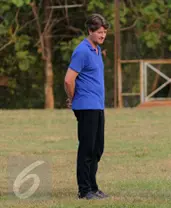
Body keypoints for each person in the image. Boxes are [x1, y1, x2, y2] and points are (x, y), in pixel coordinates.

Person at [64, 14, 109, 200]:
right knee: (87, 149)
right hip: (86, 106)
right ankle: (84, 190)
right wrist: (73, 98)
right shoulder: (82, 51)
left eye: (105, 32)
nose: (102, 35)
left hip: (97, 106)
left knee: (97, 148)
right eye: (99, 32)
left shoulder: (96, 50)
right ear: (90, 31)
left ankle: (93, 186)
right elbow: (68, 80)